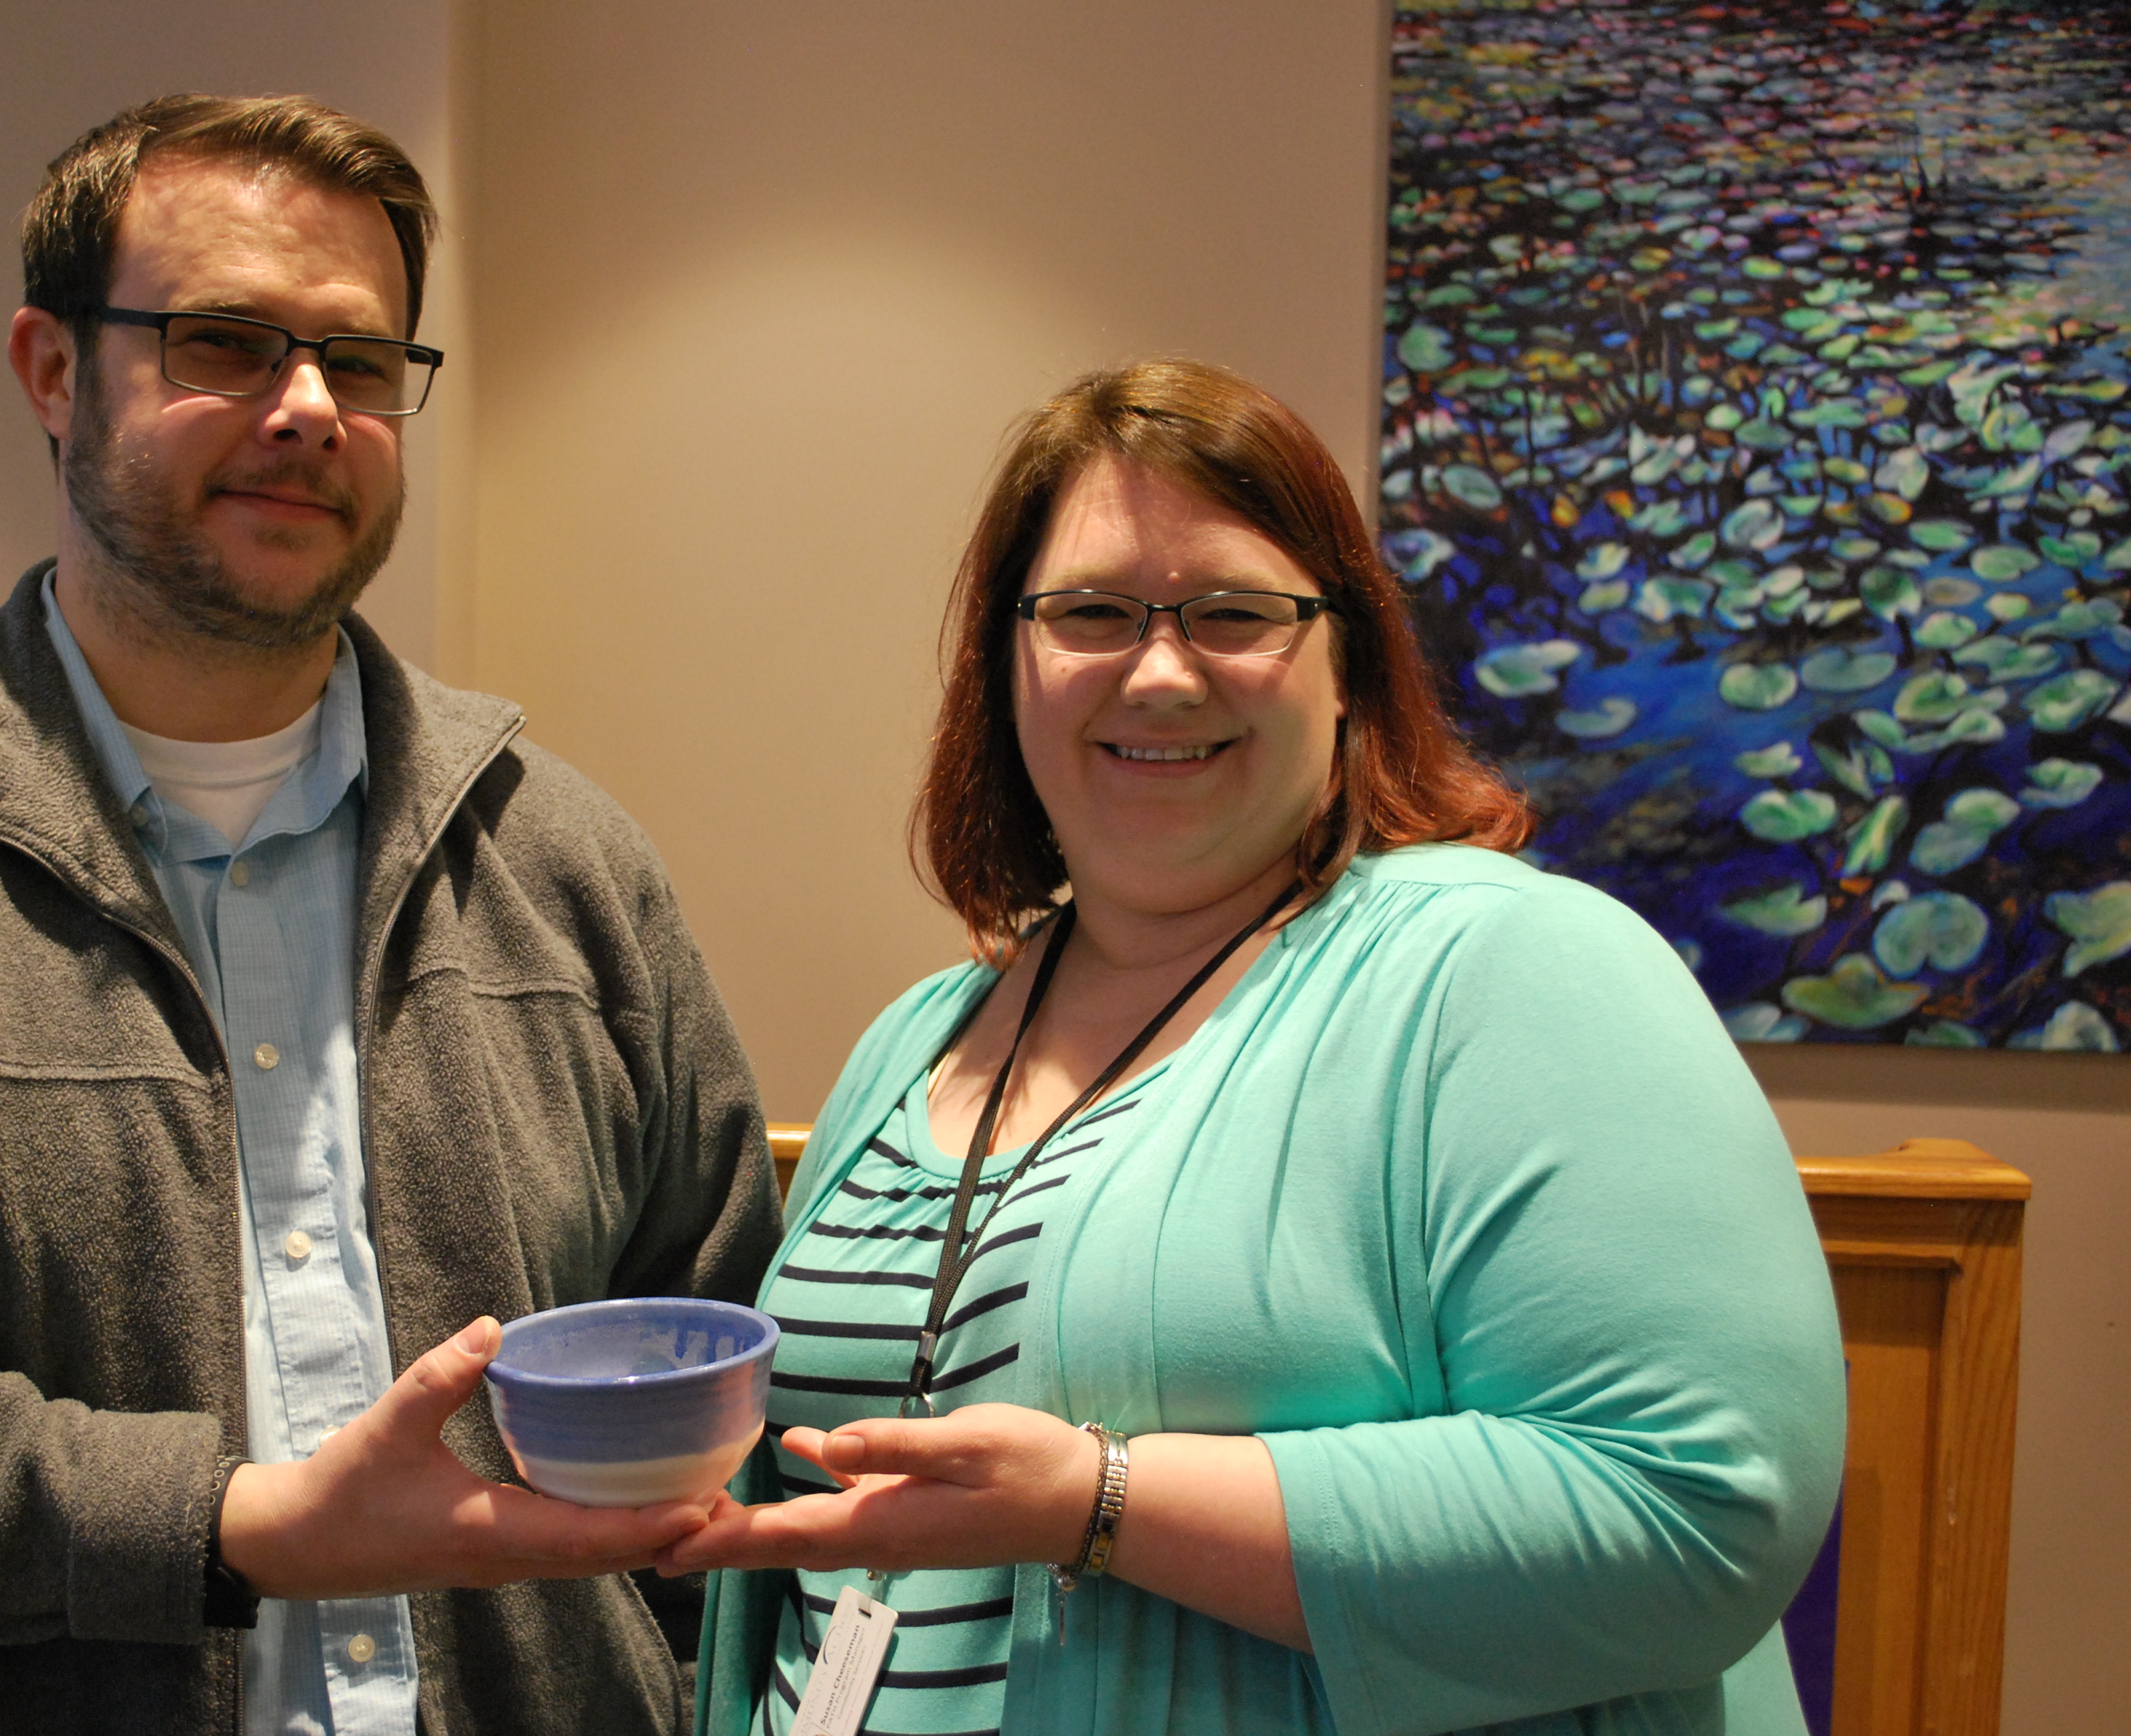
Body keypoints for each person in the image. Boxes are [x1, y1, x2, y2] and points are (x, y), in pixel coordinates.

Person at [0, 94, 779, 1736]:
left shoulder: (571, 868)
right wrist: (229, 1528)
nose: (305, 411)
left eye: (357, 363)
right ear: (53, 374)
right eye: (223, 344)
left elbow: (719, 1351)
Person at [674, 359, 1846, 1735]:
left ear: (1349, 671)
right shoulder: (913, 1039)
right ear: (1007, 665)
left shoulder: (1506, 969)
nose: (1159, 671)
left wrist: (1101, 1505)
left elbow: (1695, 1507)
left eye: (1234, 614)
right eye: (1092, 613)